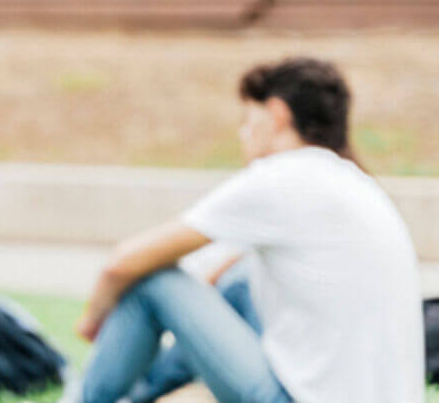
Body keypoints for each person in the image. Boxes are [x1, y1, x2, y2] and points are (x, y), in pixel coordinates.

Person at [72, 57, 424, 403]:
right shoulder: (353, 183)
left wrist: (92, 320)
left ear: (277, 114)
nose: (243, 134)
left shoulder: (282, 176)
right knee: (238, 283)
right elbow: (216, 274)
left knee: (154, 281)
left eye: (248, 120)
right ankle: (139, 395)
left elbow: (124, 263)